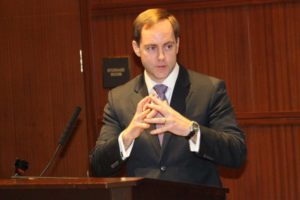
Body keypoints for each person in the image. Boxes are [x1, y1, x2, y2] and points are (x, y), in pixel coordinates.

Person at [90, 8, 246, 187]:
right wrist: (127, 136)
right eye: (151, 48)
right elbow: (98, 167)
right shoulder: (119, 98)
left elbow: (237, 153)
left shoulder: (210, 90)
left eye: (168, 46)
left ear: (178, 44)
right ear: (136, 49)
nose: (161, 56)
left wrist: (190, 129)